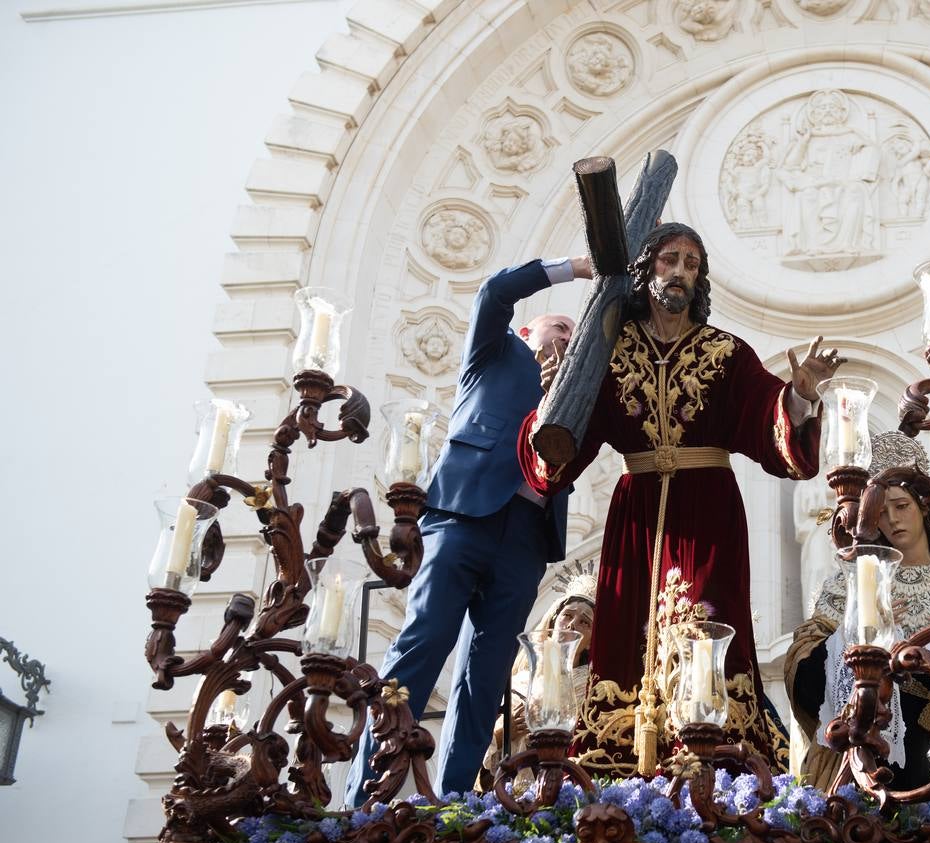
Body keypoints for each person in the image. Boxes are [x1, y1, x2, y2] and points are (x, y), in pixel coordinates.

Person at [519, 222, 842, 776]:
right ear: (648, 269)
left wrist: (802, 396)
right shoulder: (609, 353)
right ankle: (616, 764)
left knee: (705, 626)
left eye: (692, 265)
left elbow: (769, 423)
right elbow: (561, 451)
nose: (681, 273)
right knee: (625, 635)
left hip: (708, 511)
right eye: (671, 260)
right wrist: (553, 400)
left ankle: (711, 765)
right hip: (635, 512)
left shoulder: (725, 353)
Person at [345, 254, 590, 806]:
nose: (565, 339)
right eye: (559, 327)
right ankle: (361, 794)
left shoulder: (578, 391)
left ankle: (454, 800)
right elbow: (493, 292)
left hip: (526, 538)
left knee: (486, 676)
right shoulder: (495, 353)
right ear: (529, 332)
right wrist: (573, 268)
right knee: (421, 646)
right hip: (462, 518)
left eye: (573, 335)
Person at [785, 431, 930, 791]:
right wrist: (859, 633)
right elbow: (805, 679)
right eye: (882, 512)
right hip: (870, 761)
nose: (893, 520)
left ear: (924, 508)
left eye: (902, 507)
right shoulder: (851, 586)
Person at [479, 561, 597, 787]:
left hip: (563, 784)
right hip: (508, 787)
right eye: (567, 615)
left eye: (585, 622)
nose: (572, 625)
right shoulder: (518, 681)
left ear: (593, 641)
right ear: (553, 620)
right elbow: (478, 751)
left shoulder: (593, 689)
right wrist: (503, 731)